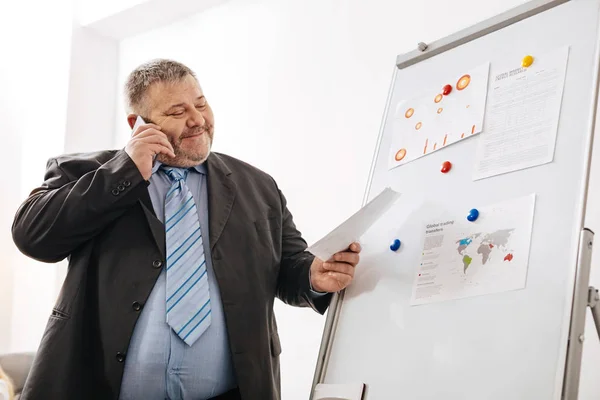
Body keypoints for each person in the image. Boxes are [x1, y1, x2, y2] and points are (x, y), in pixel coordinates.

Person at [11, 59, 361, 400]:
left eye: (201, 104)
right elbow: (33, 236)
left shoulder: (258, 186)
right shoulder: (88, 171)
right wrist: (124, 170)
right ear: (138, 123)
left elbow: (289, 268)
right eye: (177, 112)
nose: (197, 121)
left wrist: (314, 277)